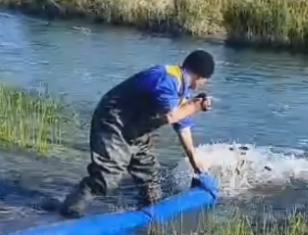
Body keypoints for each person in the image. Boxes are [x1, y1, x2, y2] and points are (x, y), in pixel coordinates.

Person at [58, 49, 216, 219]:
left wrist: (193, 159)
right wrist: (195, 107)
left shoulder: (182, 88)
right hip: (113, 123)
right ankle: (69, 212)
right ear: (200, 77)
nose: (203, 85)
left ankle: (151, 215)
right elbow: (170, 115)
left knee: (149, 175)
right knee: (107, 177)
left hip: (136, 128)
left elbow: (182, 124)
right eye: (205, 81)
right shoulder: (167, 79)